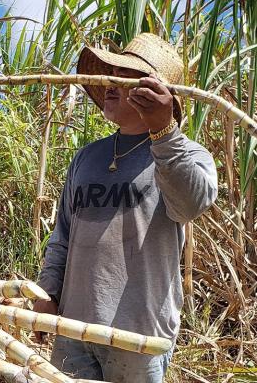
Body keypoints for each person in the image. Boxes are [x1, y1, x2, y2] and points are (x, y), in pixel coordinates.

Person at [33, 33, 218, 382]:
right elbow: (63, 236)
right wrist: (47, 293)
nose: (110, 82)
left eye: (125, 74)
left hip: (138, 335)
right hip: (74, 328)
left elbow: (190, 205)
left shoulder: (187, 155)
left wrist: (164, 133)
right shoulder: (86, 158)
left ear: (153, 92)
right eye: (111, 72)